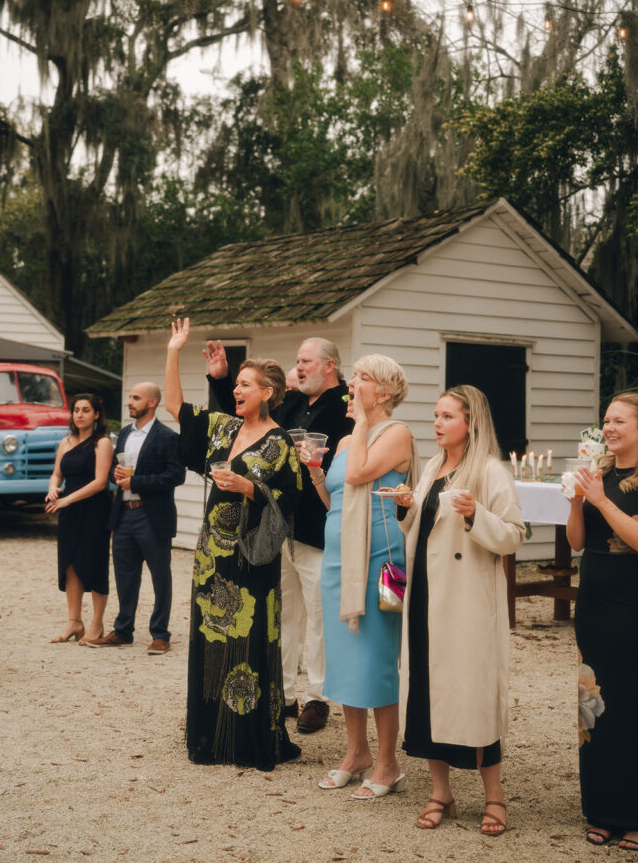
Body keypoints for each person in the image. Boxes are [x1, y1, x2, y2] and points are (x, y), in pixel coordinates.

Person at [165, 318, 303, 770]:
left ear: (267, 392)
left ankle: (248, 740)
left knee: (248, 638)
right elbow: (175, 407)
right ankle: (211, 736)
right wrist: (173, 350)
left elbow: (291, 499)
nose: (238, 390)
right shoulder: (223, 428)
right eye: (237, 384)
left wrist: (248, 488)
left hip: (250, 557)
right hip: (212, 555)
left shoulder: (280, 443)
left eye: (246, 385)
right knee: (210, 640)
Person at [204, 335, 353, 733]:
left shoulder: (345, 410)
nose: (299, 367)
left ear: (329, 366)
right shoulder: (291, 403)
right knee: (284, 612)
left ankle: (319, 698)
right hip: (277, 523)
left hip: (319, 527)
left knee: (320, 615)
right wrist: (221, 382)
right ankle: (283, 693)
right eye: (298, 362)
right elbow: (245, 420)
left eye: (306, 361)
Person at [394, 385, 524, 835]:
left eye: (447, 416)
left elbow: (513, 535)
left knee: (474, 694)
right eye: (435, 415)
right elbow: (423, 528)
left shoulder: (489, 470)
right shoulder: (431, 465)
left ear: (471, 422)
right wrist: (406, 507)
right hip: (427, 593)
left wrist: (475, 516)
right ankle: (440, 793)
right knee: (429, 693)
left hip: (467, 600)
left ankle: (495, 797)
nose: (437, 423)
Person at [307, 354, 415, 799]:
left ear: (385, 392)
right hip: (339, 555)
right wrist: (315, 472)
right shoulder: (351, 437)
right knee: (346, 658)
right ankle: (356, 753)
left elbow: (355, 475)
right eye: (353, 376)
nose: (352, 383)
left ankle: (388, 763)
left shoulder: (395, 432)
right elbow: (338, 502)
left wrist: (359, 424)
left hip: (380, 558)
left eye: (362, 378)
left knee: (376, 657)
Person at [567, 392, 638, 850]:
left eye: (619, 421)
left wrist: (601, 501)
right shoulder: (600, 472)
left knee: (632, 706)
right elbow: (576, 541)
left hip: (633, 601)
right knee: (594, 708)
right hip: (593, 598)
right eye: (606, 421)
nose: (608, 429)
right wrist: (577, 501)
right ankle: (601, 808)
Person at [87, 383, 185, 654]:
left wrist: (136, 480)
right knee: (125, 576)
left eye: (136, 398)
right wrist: (116, 476)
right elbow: (113, 474)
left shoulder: (168, 437)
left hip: (152, 516)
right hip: (123, 514)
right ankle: (123, 630)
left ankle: (160, 634)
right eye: (130, 397)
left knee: (160, 576)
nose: (130, 402)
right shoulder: (126, 433)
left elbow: (176, 476)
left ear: (152, 402)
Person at [45, 393, 112, 644]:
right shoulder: (66, 442)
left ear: (96, 414)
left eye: (85, 410)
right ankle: (74, 621)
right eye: (76, 410)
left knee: (94, 563)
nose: (80, 415)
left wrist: (68, 499)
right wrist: (53, 489)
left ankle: (97, 624)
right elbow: (56, 474)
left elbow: (100, 482)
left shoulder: (102, 442)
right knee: (70, 563)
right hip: (69, 509)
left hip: (94, 509)